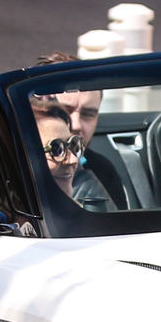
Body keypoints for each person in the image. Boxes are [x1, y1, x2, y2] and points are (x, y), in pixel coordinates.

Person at [29, 55, 117, 208]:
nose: (75, 125)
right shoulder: (10, 167)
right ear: (38, 110)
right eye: (64, 111)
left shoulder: (103, 170)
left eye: (87, 114)